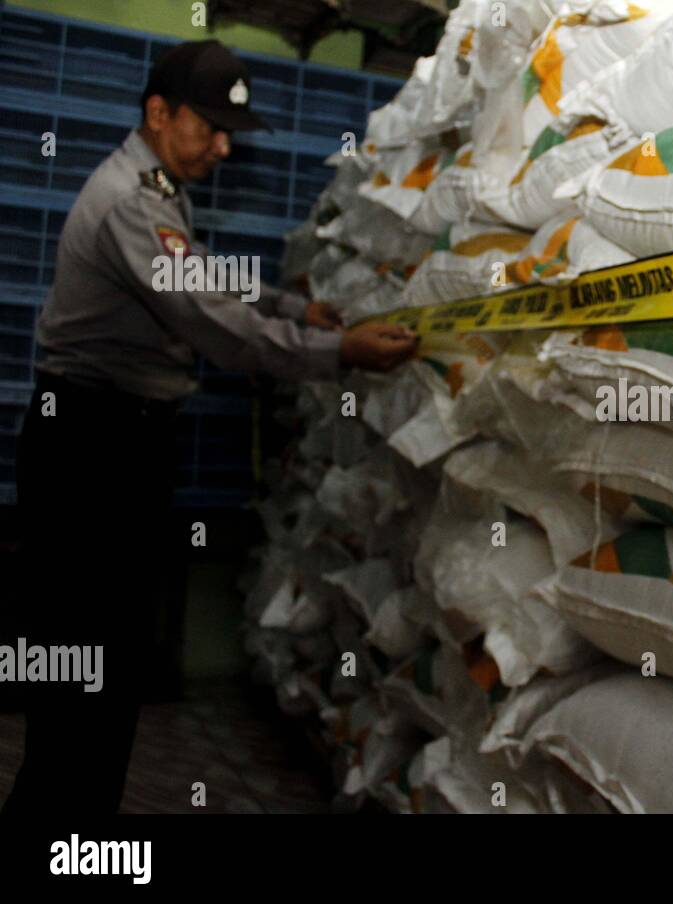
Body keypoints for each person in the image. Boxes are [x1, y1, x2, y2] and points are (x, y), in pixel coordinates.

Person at [1, 40, 417, 813]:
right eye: (211, 126)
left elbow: (197, 275)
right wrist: (339, 351)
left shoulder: (154, 189)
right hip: (93, 445)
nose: (223, 146)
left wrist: (293, 306)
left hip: (109, 438)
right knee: (87, 664)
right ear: (158, 114)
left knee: (102, 660)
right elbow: (217, 328)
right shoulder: (133, 202)